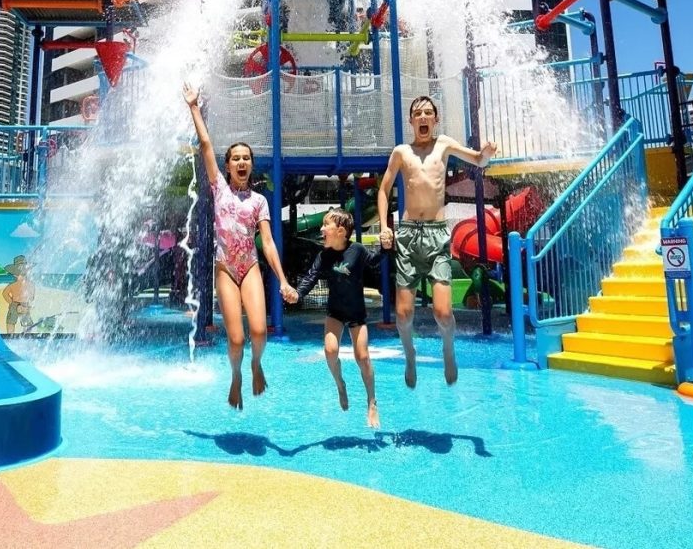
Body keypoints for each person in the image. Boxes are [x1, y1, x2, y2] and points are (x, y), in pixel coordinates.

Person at [183, 82, 296, 410]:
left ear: (251, 164)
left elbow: (269, 243)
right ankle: (236, 376)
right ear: (228, 165)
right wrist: (193, 106)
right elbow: (205, 143)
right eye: (236, 158)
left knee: (259, 333)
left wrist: (284, 280)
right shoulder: (218, 188)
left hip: (249, 268)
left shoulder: (260, 201)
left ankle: (256, 365)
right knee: (235, 338)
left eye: (247, 158)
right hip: (225, 270)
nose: (242, 162)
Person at [377, 95, 497, 388]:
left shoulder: (443, 144)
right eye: (417, 113)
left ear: (435, 119)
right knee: (403, 315)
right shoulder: (401, 152)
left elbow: (478, 159)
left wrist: (488, 153)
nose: (422, 117)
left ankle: (448, 348)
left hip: (436, 234)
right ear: (410, 121)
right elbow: (383, 190)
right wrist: (384, 226)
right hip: (407, 236)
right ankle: (409, 354)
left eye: (428, 113)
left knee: (443, 313)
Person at [287, 208, 380, 428]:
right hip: (335, 312)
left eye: (325, 225)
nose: (321, 228)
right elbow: (311, 277)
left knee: (363, 357)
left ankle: (372, 401)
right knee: (330, 352)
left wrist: (387, 247)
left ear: (340, 231)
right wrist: (298, 293)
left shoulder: (356, 250)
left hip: (357, 313)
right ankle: (340, 384)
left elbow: (375, 261)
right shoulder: (324, 256)